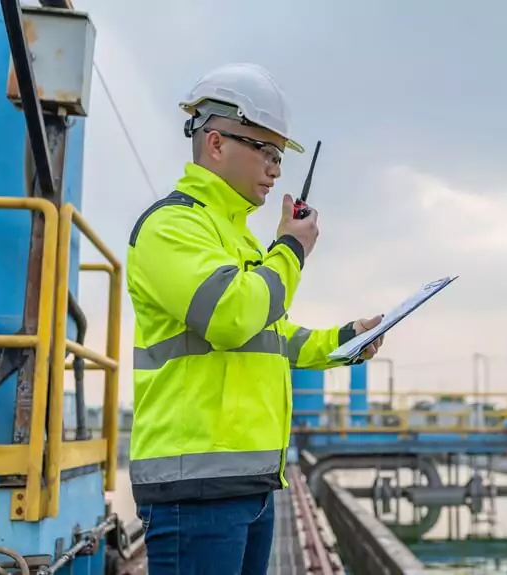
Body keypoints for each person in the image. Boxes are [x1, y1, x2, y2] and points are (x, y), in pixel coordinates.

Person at [126, 62, 384, 574]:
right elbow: (230, 317)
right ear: (217, 143)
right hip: (194, 489)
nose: (275, 169)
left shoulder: (237, 237)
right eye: (265, 152)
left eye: (279, 157)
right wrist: (290, 248)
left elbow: (270, 335)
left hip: (248, 484)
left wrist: (344, 340)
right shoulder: (172, 227)